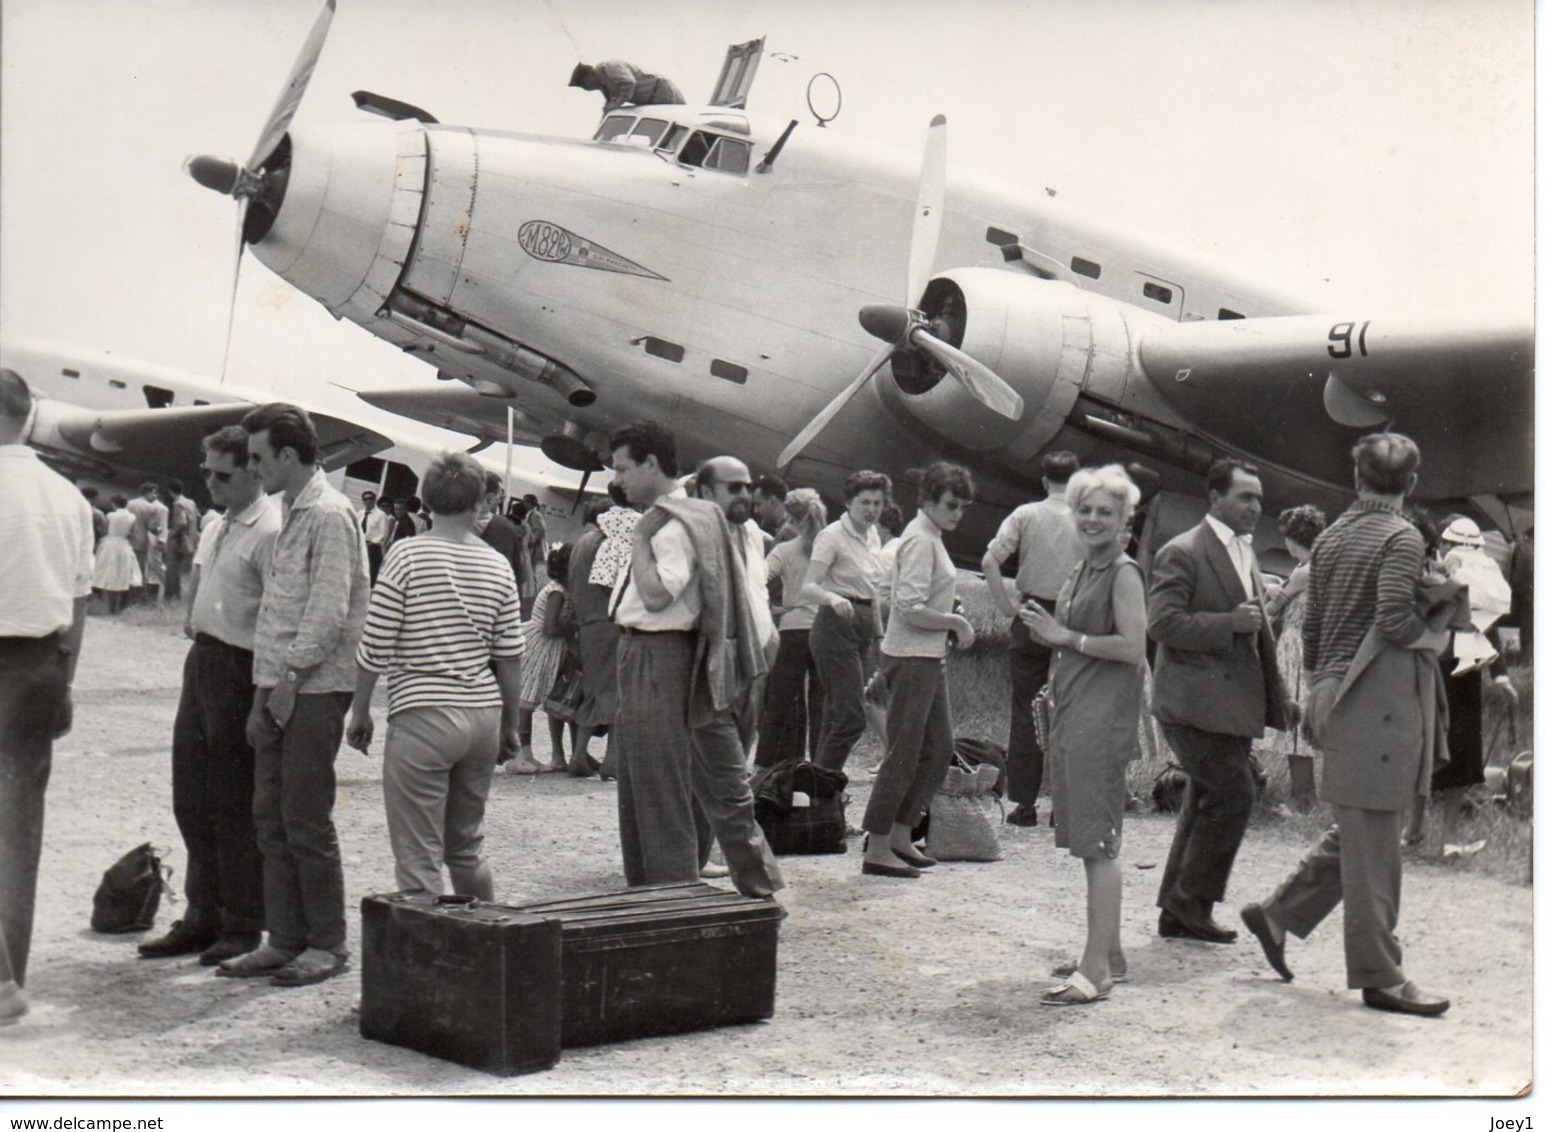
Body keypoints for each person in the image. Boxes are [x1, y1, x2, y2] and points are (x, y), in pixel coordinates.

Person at [1240, 433, 1452, 1017]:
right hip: (1376, 697)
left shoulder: (1330, 537)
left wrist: (1316, 690)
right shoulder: (1402, 536)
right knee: (1377, 842)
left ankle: (1277, 916)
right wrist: (1435, 631)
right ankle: (1382, 977)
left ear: (1356, 477)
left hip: (1333, 692)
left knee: (1361, 828)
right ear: (1411, 482)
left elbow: (1311, 629)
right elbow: (1391, 617)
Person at [217, 403, 368, 988]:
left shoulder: (330, 515)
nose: (252, 469)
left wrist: (289, 682)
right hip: (280, 685)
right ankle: (284, 939)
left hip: (313, 687)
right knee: (269, 817)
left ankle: (327, 944)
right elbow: (279, 613)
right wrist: (267, 690)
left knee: (304, 817)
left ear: (287, 455)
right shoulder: (290, 512)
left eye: (257, 458)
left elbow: (328, 611)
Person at [607, 421, 782, 898]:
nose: (618, 478)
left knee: (656, 781)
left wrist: (639, 540)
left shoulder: (671, 521)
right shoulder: (695, 516)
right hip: (675, 656)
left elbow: (657, 594)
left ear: (649, 464)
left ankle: (669, 897)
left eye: (624, 468)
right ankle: (672, 892)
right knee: (691, 779)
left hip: (655, 654)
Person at [348, 452, 524, 900]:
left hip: (423, 713)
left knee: (418, 855)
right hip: (481, 714)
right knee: (465, 848)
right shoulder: (495, 564)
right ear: (479, 502)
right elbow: (509, 655)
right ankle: (488, 946)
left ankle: (428, 963)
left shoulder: (407, 554)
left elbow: (376, 642)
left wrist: (361, 710)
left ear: (425, 499)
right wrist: (510, 725)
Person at [137, 426, 279, 965]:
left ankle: (242, 924)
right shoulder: (218, 523)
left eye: (223, 474)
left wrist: (264, 696)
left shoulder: (270, 529)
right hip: (203, 662)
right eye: (206, 472)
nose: (211, 483)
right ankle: (202, 915)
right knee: (190, 796)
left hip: (240, 670)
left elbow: (275, 618)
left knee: (232, 804)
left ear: (254, 471)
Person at [1018, 466, 1147, 1003]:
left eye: (1105, 513)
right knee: (1088, 838)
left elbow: (1133, 646)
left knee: (1098, 844)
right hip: (1076, 713)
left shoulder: (1122, 573)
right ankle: (1107, 951)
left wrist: (1062, 635)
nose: (1093, 520)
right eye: (1085, 510)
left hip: (1102, 719)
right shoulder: (1082, 569)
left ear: (1125, 521)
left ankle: (1096, 972)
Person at [1149, 458, 1289, 944]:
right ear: (1214, 498)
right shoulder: (1182, 552)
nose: (1256, 507)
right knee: (1234, 793)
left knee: (1206, 797)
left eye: (1259, 499)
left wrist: (1278, 697)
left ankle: (1178, 910)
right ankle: (1192, 903)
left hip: (1224, 704)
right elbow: (1162, 624)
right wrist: (1227, 623)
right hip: (1189, 703)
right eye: (1245, 497)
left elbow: (1255, 629)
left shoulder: (1242, 552)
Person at [0, 368, 94, 1026]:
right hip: (45, 661)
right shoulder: (69, 497)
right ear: (29, 418)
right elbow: (80, 602)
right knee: (18, 828)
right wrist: (65, 677)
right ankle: (10, 976)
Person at [861, 463, 977, 878]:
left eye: (962, 507)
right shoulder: (920, 540)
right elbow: (908, 608)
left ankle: (900, 833)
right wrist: (955, 622)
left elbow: (920, 599)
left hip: (926, 657)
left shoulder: (930, 537)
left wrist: (949, 610)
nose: (957, 513)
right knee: (904, 754)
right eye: (950, 504)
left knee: (938, 749)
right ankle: (877, 846)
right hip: (911, 658)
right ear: (927, 500)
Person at [982, 451, 1081, 828]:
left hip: (1030, 614)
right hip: (1073, 617)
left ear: (1044, 481)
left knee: (1026, 710)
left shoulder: (1025, 514)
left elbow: (990, 560)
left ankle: (1024, 804)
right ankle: (1065, 804)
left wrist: (1006, 606)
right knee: (1071, 710)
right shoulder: (1087, 519)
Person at [802, 470, 890, 773]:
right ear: (849, 502)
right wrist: (833, 599)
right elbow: (809, 586)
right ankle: (821, 789)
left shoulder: (873, 535)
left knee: (835, 714)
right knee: (852, 717)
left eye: (877, 503)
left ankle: (814, 795)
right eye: (865, 502)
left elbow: (873, 591)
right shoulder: (832, 536)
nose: (871, 509)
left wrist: (879, 637)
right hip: (835, 625)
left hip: (865, 627)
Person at [696, 456, 779, 752]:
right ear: (707, 492)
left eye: (748, 486)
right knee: (715, 762)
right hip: (715, 665)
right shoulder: (696, 536)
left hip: (753, 662)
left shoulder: (752, 533)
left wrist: (769, 637)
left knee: (739, 752)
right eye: (734, 487)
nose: (746, 494)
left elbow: (757, 591)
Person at [1259, 505, 1327, 810]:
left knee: (1294, 729)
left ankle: (1302, 797)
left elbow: (1272, 609)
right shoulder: (1319, 565)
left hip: (1294, 646)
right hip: (1310, 646)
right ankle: (1303, 795)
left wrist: (1263, 588)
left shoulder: (1303, 571)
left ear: (1292, 538)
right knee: (1298, 727)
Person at [756, 488, 827, 768]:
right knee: (821, 706)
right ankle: (821, 768)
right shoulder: (829, 547)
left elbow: (758, 578)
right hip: (824, 630)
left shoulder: (785, 550)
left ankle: (764, 764)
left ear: (790, 515)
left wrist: (775, 608)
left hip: (793, 628)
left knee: (780, 703)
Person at [515, 543, 580, 775]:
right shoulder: (557, 592)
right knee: (527, 700)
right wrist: (575, 625)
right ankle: (522, 754)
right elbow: (550, 627)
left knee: (533, 699)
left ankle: (527, 754)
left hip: (550, 647)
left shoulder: (564, 590)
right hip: (540, 646)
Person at [567, 497, 621, 778]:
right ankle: (612, 760)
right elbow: (609, 583)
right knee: (614, 690)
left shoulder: (581, 542)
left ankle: (578, 753)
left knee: (593, 689)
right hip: (608, 621)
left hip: (586, 622)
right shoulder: (603, 543)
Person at [569, 60, 685, 113]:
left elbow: (628, 83)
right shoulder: (604, 85)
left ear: (589, 77)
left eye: (583, 85)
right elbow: (610, 102)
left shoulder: (610, 67)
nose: (586, 89)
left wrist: (616, 104)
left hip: (662, 92)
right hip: (651, 100)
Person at [93, 494, 143, 613]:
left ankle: (105, 603)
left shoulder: (111, 515)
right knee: (123, 572)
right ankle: (120, 606)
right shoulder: (132, 517)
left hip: (109, 543)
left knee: (105, 571)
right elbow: (134, 533)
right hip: (123, 544)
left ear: (114, 504)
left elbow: (104, 529)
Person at [126, 482, 169, 603]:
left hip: (129, 540)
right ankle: (140, 598)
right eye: (154, 492)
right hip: (142, 541)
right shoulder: (151, 508)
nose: (156, 496)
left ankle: (126, 595)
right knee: (140, 570)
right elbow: (152, 526)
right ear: (147, 492)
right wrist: (160, 532)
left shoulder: (130, 504)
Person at [164, 478, 201, 602]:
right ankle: (177, 597)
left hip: (178, 541)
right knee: (182, 571)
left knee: (172, 570)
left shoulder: (178, 504)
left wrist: (171, 534)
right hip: (190, 540)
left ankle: (171, 597)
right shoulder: (191, 502)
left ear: (170, 491)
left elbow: (181, 523)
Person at [360, 490, 392, 584]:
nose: (368, 501)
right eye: (365, 499)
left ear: (374, 500)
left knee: (369, 572)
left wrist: (372, 542)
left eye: (371, 498)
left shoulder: (381, 515)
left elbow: (383, 534)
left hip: (372, 547)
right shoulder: (360, 514)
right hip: (360, 544)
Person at [753, 474, 789, 542]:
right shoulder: (793, 527)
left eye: (758, 504)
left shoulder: (786, 534)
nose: (756, 511)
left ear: (772, 501)